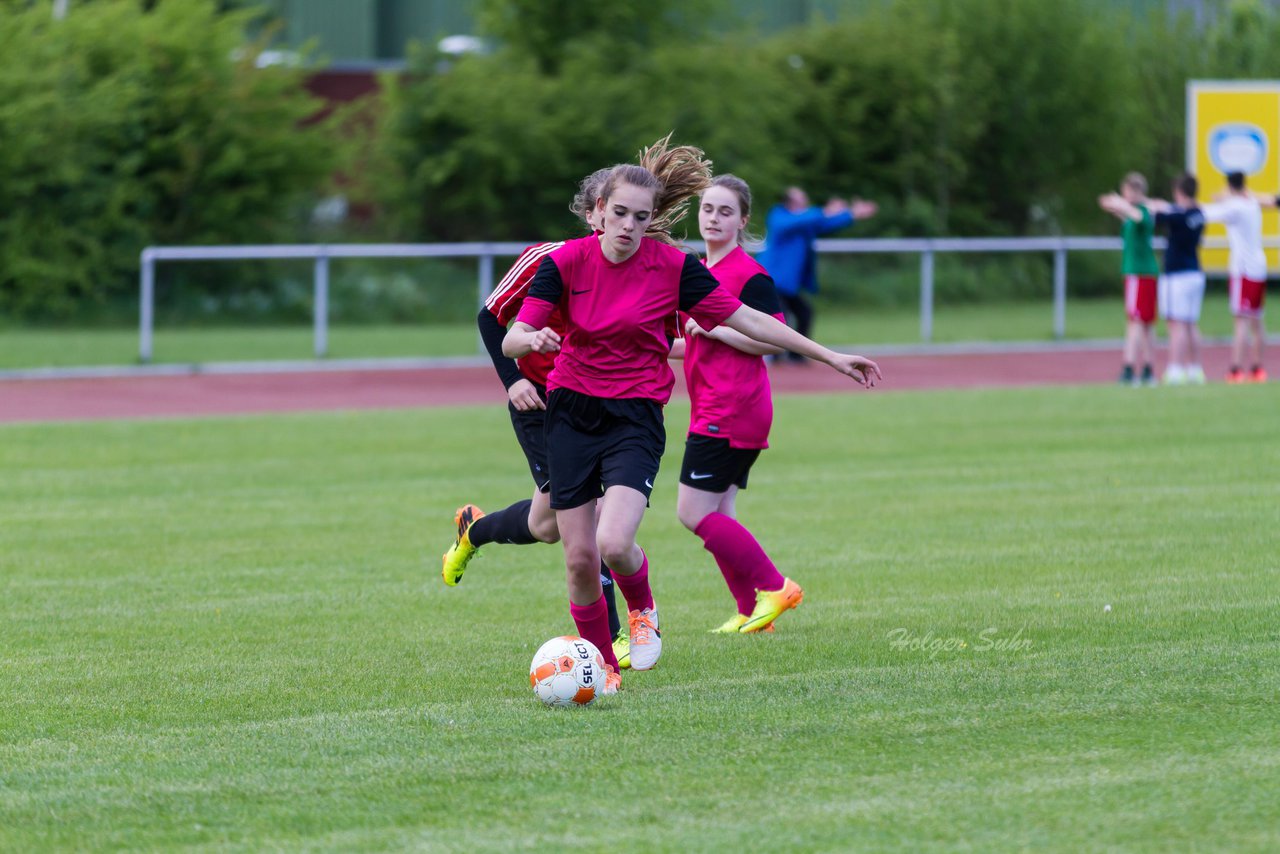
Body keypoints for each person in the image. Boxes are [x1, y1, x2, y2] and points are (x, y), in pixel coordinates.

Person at [503, 152, 881, 693]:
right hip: (570, 414)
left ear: (652, 217)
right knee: (580, 559)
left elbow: (748, 319)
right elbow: (515, 333)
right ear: (599, 212)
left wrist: (829, 355)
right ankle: (605, 666)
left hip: (634, 417)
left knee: (614, 543)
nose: (630, 226)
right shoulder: (563, 263)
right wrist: (530, 339)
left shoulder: (673, 267)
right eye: (621, 214)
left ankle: (643, 610)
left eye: (641, 216)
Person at [439, 166, 631, 668]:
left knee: (547, 525)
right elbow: (489, 316)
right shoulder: (546, 260)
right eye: (607, 211)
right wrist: (515, 380)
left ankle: (473, 529)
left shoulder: (630, 268)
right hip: (541, 401)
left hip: (597, 401)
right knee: (580, 521)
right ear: (592, 213)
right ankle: (611, 640)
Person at [667, 174, 802, 634]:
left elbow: (772, 341)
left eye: (726, 211)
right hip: (713, 406)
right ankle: (751, 612)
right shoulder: (700, 271)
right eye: (708, 209)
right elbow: (695, 341)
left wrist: (716, 329)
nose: (714, 218)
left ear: (743, 220)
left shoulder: (750, 275)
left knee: (693, 513)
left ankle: (776, 586)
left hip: (732, 409)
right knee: (720, 513)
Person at [757, 187, 877, 364]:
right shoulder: (778, 216)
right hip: (772, 281)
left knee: (805, 313)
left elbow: (826, 222)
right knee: (782, 319)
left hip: (787, 285)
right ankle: (775, 358)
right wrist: (824, 211)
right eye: (801, 200)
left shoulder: (806, 222)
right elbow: (798, 221)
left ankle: (794, 356)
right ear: (790, 203)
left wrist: (851, 214)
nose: (806, 203)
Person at [1202, 172, 1267, 383]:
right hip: (1259, 267)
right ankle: (1258, 369)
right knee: (1257, 320)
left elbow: (1207, 213)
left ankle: (1236, 369)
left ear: (1229, 185)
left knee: (1241, 320)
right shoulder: (1252, 203)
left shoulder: (1235, 207)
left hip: (1244, 270)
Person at [1099, 173, 1159, 386]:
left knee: (1136, 322)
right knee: (1143, 323)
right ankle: (1147, 368)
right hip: (1142, 274)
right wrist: (1114, 205)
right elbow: (1123, 213)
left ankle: (1129, 367)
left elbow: (1135, 215)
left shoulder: (1142, 212)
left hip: (1139, 274)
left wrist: (1121, 204)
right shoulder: (1134, 213)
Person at [1148, 174, 1207, 385]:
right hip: (1195, 273)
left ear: (1179, 192)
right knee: (1191, 323)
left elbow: (1157, 215)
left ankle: (1175, 368)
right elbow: (1172, 209)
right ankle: (1195, 369)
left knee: (1176, 324)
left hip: (1177, 275)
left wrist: (1150, 205)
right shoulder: (1198, 213)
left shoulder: (1177, 217)